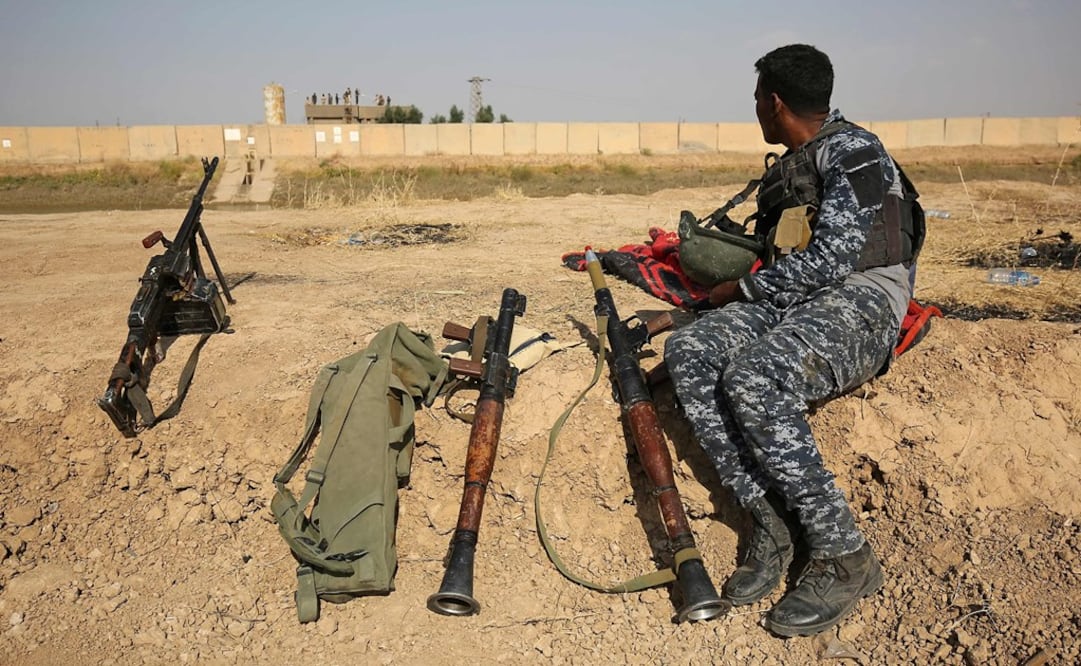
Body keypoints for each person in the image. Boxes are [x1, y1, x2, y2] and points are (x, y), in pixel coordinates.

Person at [664, 43, 922, 637]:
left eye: (757, 98)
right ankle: (770, 519)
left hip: (862, 299)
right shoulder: (795, 162)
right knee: (691, 350)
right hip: (796, 296)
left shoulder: (854, 151)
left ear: (773, 102)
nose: (755, 108)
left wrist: (741, 290)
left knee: (756, 376)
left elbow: (832, 259)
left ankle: (844, 553)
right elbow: (789, 257)